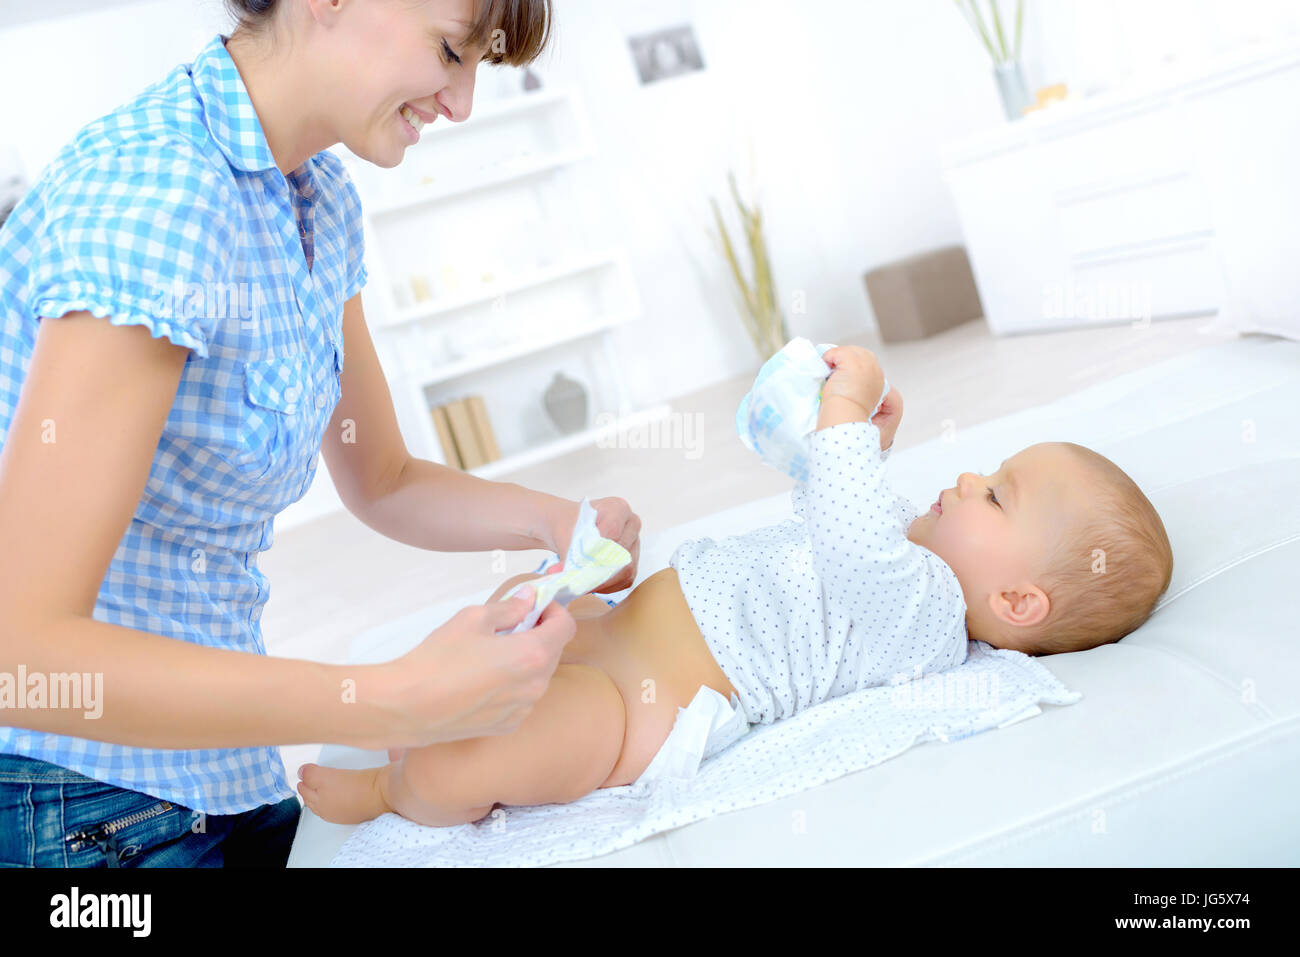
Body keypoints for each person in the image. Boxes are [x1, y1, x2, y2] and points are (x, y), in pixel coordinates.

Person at [0, 0, 643, 868]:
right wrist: (390, 699)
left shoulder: (317, 198)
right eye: (452, 50)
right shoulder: (153, 194)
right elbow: (21, 651)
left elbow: (383, 478)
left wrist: (557, 526)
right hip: (68, 798)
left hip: (219, 770)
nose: (461, 103)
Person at [297, 345, 1173, 827]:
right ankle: (408, 711)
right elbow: (829, 500)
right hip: (622, 625)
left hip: (640, 709)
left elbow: (854, 543)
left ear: (1017, 602)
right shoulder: (906, 539)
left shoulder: (930, 622)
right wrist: (865, 441)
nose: (969, 478)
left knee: (535, 739)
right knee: (515, 611)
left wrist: (846, 419)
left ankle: (399, 790)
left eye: (995, 494)